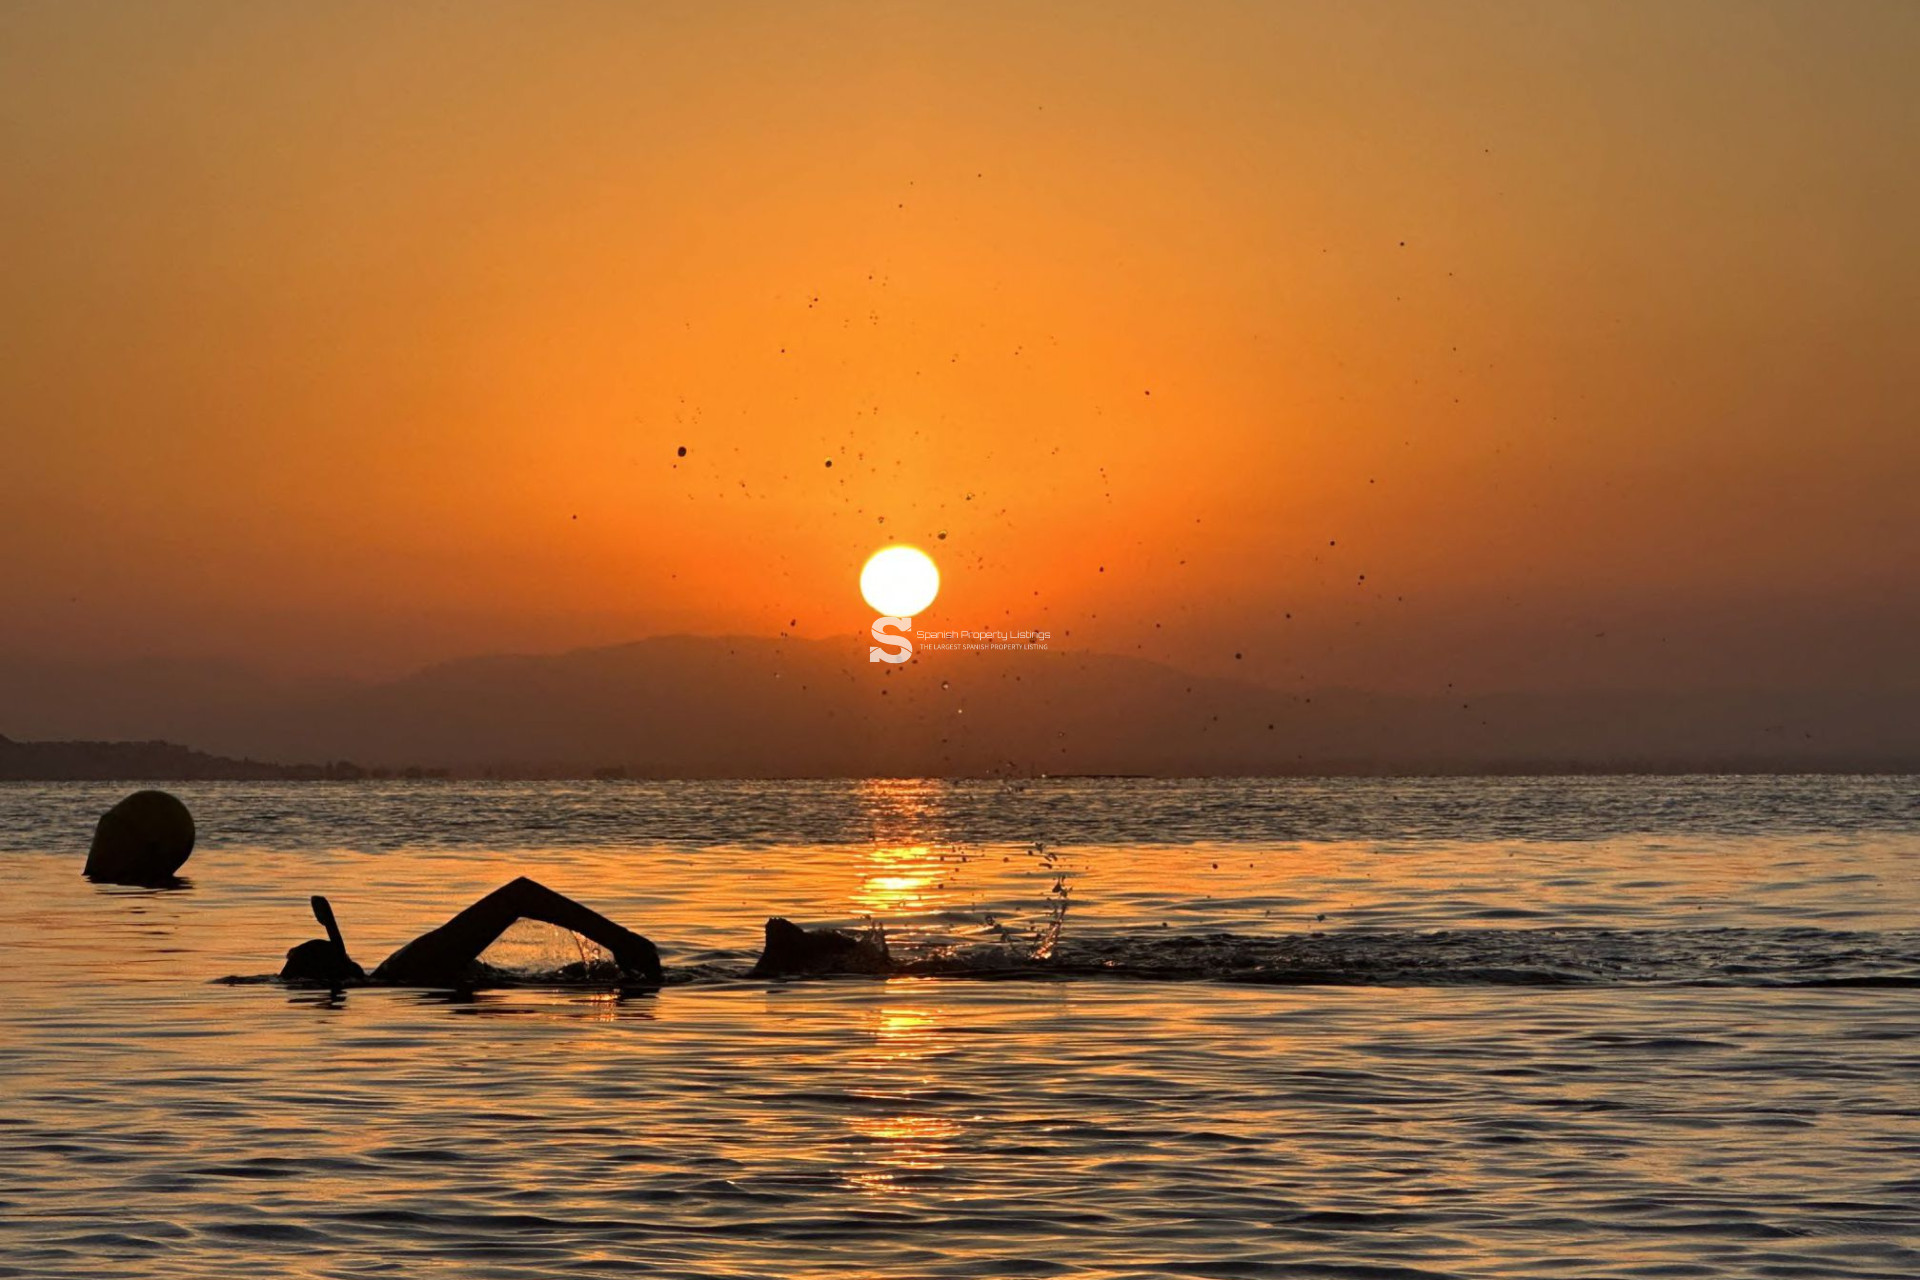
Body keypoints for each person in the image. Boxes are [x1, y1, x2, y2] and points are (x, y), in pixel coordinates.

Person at [281, 877, 662, 988]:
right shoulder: (410, 969)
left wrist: (622, 942)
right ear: (345, 963)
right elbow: (520, 895)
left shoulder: (409, 968)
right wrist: (622, 942)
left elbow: (520, 894)